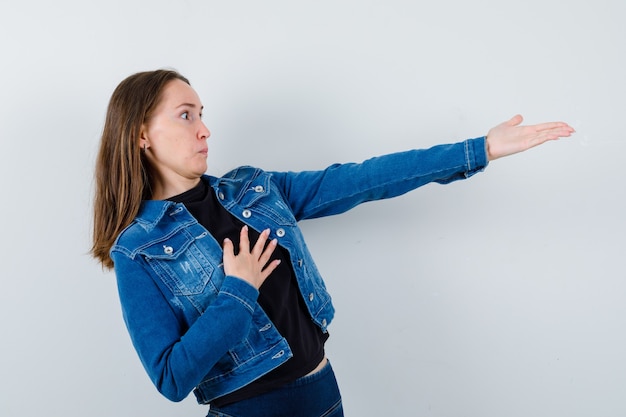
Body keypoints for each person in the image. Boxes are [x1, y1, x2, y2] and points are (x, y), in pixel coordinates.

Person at [91, 69, 574, 417]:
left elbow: (362, 180)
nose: (204, 128)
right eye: (185, 115)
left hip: (323, 395)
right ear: (141, 137)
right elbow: (172, 378)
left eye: (201, 113)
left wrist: (478, 149)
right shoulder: (138, 250)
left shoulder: (252, 188)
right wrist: (237, 292)